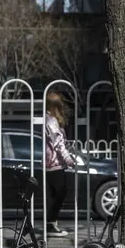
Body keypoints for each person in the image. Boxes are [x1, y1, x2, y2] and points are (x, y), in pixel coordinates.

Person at [44, 91, 75, 237]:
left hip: (50, 162)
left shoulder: (47, 119)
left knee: (54, 195)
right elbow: (58, 143)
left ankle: (51, 223)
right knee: (61, 192)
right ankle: (51, 223)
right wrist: (68, 159)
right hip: (54, 163)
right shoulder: (51, 121)